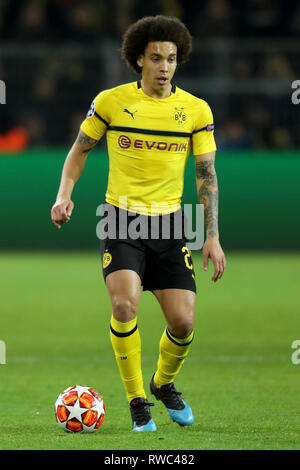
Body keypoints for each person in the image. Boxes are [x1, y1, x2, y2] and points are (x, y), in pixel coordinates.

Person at [51, 15, 226, 432]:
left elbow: (206, 175)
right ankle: (136, 401)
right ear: (138, 60)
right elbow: (80, 151)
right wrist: (64, 194)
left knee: (183, 322)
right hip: (120, 218)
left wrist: (213, 237)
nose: (165, 66)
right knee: (124, 303)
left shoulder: (195, 111)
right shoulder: (111, 102)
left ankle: (163, 384)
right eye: (156, 58)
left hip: (169, 224)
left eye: (171, 58)